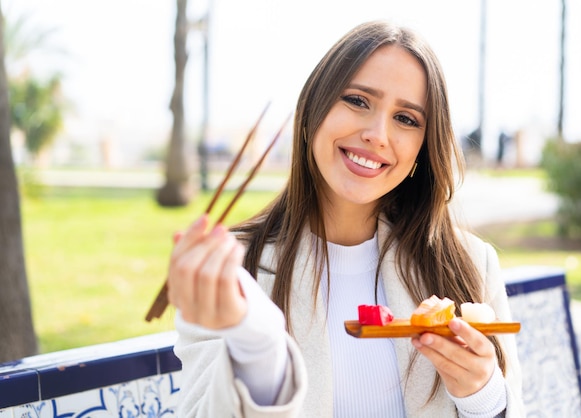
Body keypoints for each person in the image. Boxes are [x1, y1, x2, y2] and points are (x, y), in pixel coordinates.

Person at [167, 20, 525, 417]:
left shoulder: (467, 263)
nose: (377, 133)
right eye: (357, 100)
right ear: (312, 110)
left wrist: (481, 394)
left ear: (423, 149)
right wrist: (258, 351)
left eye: (406, 119)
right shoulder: (234, 269)